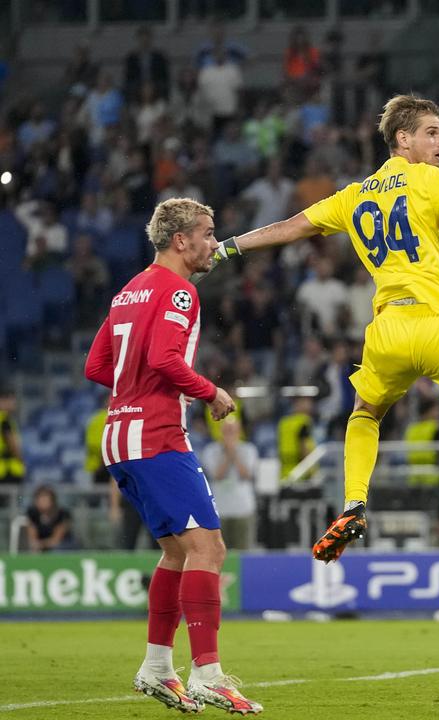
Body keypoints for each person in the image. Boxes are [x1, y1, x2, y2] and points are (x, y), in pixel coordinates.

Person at [208, 95, 439, 593]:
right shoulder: (429, 181)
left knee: (364, 414)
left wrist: (226, 246)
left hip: (388, 332)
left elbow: (292, 228)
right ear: (403, 139)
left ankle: (353, 506)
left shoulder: (354, 195)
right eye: (433, 132)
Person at [83, 198, 259, 712]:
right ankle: (208, 672)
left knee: (178, 553)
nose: (212, 243)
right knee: (209, 550)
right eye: (206, 233)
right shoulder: (179, 291)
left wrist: (134, 384)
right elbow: (162, 358)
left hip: (118, 436)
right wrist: (210, 391)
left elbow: (98, 367)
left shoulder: (127, 292)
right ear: (179, 240)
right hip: (156, 436)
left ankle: (157, 667)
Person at [200, 414, 259, 550]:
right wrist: (228, 453)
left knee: (243, 550)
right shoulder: (211, 450)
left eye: (233, 431)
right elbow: (217, 475)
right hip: (220, 510)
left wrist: (234, 452)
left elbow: (246, 474)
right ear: (221, 432)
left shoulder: (249, 449)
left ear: (239, 432)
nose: (230, 434)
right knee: (219, 551)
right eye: (227, 431)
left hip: (243, 509)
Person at [24, 486, 76, 552]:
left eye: (45, 499)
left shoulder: (63, 514)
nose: (42, 502)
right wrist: (35, 545)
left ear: (52, 501)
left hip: (64, 547)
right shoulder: (32, 514)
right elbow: (32, 537)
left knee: (57, 550)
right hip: (42, 546)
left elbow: (56, 540)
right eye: (40, 498)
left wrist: (41, 544)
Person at [0, 388, 25, 484]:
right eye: (10, 399)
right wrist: (21, 459)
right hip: (8, 471)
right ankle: (19, 500)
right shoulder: (5, 420)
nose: (14, 403)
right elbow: (13, 446)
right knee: (18, 498)